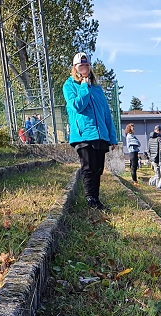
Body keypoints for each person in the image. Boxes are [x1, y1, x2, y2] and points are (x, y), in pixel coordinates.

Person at [62, 51, 119, 210]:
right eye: (80, 65)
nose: (84, 67)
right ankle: (90, 199)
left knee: (98, 168)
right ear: (75, 67)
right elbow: (78, 105)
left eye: (86, 65)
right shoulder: (69, 86)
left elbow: (106, 114)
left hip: (100, 134)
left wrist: (112, 137)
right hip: (83, 134)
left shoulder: (97, 88)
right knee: (88, 167)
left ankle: (96, 198)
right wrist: (84, 86)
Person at [147, 125, 161, 192]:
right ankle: (159, 187)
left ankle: (158, 188)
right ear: (160, 131)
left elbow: (148, 150)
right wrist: (160, 160)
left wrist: (151, 159)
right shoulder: (160, 139)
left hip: (153, 160)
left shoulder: (150, 139)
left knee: (157, 175)